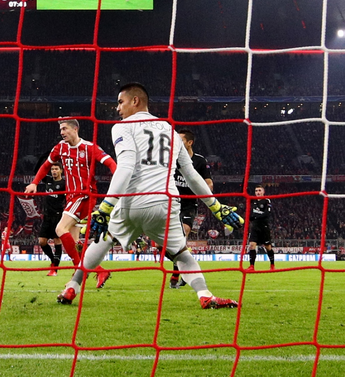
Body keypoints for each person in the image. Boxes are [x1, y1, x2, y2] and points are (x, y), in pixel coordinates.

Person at [56, 83, 244, 309]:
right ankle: (205, 295)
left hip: (132, 201)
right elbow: (192, 176)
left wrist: (106, 207)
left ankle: (72, 287)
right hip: (165, 202)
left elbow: (125, 167)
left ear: (135, 101)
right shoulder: (170, 131)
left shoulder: (123, 127)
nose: (118, 109)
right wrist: (216, 207)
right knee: (181, 254)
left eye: (120, 102)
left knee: (103, 240)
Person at [24, 118, 117, 288]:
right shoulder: (60, 148)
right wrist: (34, 182)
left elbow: (111, 164)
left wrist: (119, 182)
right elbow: (46, 165)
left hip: (84, 195)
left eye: (65, 129)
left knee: (60, 229)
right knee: (74, 243)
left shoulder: (90, 147)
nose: (62, 132)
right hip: (71, 198)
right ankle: (99, 270)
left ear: (75, 129)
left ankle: (80, 268)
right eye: (60, 129)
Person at [169, 129, 213, 288]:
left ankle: (176, 272)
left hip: (189, 203)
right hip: (172, 201)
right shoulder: (172, 158)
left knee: (184, 232)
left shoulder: (200, 161)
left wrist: (207, 189)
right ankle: (179, 268)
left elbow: (208, 181)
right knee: (167, 243)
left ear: (189, 143)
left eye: (180, 141)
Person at [35, 163, 66, 276]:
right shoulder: (48, 180)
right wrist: (47, 159)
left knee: (57, 241)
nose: (54, 171)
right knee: (42, 241)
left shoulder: (64, 184)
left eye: (56, 169)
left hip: (57, 216)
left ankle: (55, 269)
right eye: (52, 169)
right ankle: (53, 261)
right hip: (46, 216)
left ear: (61, 171)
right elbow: (37, 171)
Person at [246, 185, 275, 271]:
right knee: (252, 245)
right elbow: (251, 216)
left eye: (259, 190)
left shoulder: (266, 201)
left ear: (263, 192)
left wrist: (255, 216)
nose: (258, 192)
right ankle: (251, 266)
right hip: (255, 227)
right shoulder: (253, 202)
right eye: (256, 191)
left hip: (264, 227)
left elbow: (267, 214)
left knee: (268, 247)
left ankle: (272, 265)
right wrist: (251, 217)